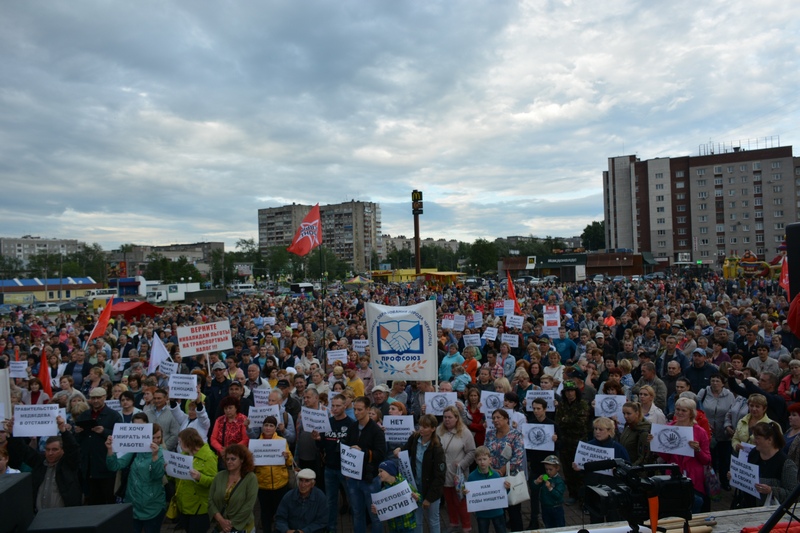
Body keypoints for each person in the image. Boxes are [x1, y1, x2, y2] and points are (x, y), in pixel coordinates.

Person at [5, 415, 81, 509]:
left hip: (64, 516)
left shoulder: (68, 464)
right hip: (39, 516)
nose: (50, 453)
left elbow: (73, 449)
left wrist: (64, 432)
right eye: (47, 449)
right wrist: (13, 433)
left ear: (63, 450)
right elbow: (23, 450)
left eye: (54, 449)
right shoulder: (39, 462)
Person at [650, 398, 711, 513]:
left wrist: (697, 450)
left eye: (684, 410)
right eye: (677, 409)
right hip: (673, 476)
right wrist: (655, 443)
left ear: (691, 413)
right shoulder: (668, 428)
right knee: (673, 509)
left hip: (693, 479)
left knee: (693, 507)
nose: (679, 413)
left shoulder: (700, 432)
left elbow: (707, 460)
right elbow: (667, 457)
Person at [105, 417, 166, 533]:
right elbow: (115, 466)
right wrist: (110, 450)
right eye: (153, 437)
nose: (156, 441)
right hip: (133, 505)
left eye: (159, 437)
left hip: (153, 506)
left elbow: (157, 476)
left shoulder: (161, 452)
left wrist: (154, 457)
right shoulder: (135, 450)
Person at [394, 414, 446, 533]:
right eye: (420, 425)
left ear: (433, 428)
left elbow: (439, 477)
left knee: (433, 520)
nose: (421, 429)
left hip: (431, 489)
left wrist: (429, 498)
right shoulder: (414, 438)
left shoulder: (437, 448)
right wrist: (399, 450)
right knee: (416, 520)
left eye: (425, 426)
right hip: (415, 487)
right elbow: (405, 449)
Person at [574, 417, 630, 523]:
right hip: (594, 489)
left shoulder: (618, 448)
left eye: (601, 429)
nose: (597, 432)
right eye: (595, 429)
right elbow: (583, 468)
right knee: (595, 519)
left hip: (612, 491)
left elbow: (627, 468)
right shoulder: (588, 446)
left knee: (613, 519)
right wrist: (578, 468)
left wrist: (617, 470)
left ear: (610, 431)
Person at [344, 396, 386, 533]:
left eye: (360, 410)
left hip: (370, 478)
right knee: (357, 513)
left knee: (375, 515)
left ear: (368, 410)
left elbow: (380, 454)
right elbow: (346, 444)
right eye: (355, 409)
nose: (356, 412)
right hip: (353, 477)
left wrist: (363, 452)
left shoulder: (376, 430)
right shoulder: (353, 426)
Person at [75, 386, 123, 504]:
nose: (95, 401)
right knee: (91, 500)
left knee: (107, 499)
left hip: (105, 465)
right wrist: (77, 432)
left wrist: (104, 432)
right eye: (93, 398)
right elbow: (77, 440)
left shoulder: (114, 416)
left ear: (104, 397)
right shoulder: (84, 415)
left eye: (98, 398)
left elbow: (121, 438)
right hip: (88, 466)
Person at [736, 422, 798, 508]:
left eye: (757, 438)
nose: (754, 441)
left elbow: (794, 494)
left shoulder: (786, 464)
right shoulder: (754, 453)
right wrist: (736, 476)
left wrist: (771, 490)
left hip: (770, 513)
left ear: (769, 440)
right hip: (748, 507)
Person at [484, 408, 525, 532]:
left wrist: (501, 471)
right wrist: (490, 469)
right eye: (494, 418)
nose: (495, 420)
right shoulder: (490, 434)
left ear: (506, 419)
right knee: (499, 512)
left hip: (510, 477)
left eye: (498, 418)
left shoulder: (515, 435)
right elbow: (485, 452)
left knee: (514, 511)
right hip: (493, 476)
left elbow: (518, 456)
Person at [437, 405, 476, 533]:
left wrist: (462, 464)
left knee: (461, 501)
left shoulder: (465, 432)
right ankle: (453, 523)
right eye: (444, 417)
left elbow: (471, 452)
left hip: (458, 473)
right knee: (449, 500)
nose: (446, 420)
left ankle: (467, 526)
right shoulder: (439, 430)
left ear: (456, 418)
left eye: (449, 417)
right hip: (443, 472)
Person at [174, 428, 218, 533]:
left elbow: (214, 481)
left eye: (180, 442)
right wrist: (169, 469)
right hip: (184, 506)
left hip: (199, 508)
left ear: (188, 441)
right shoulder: (184, 455)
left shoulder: (208, 456)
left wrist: (200, 477)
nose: (179, 445)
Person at [255, 415, 294, 533]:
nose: (268, 428)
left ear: (275, 428)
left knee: (280, 513)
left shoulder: (281, 442)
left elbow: (290, 462)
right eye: (266, 425)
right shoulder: (256, 443)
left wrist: (287, 457)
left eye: (271, 426)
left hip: (280, 483)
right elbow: (251, 466)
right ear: (262, 427)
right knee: (265, 513)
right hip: (263, 484)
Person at [208, 443, 259, 533]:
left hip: (243, 527)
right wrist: (221, 520)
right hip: (221, 526)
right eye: (227, 459)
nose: (229, 462)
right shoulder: (219, 476)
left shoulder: (251, 478)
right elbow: (210, 500)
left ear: (242, 460)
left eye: (233, 459)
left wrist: (229, 525)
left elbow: (248, 506)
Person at [698, 373, 735, 488]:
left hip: (723, 432)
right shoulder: (703, 392)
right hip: (707, 433)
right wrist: (704, 422)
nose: (714, 383)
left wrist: (728, 426)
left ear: (723, 383)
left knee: (725, 459)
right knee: (711, 458)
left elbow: (731, 412)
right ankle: (711, 483)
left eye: (717, 381)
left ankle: (724, 482)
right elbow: (697, 409)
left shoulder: (729, 395)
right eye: (712, 380)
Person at [555, 380, 589, 505]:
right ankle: (573, 494)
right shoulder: (562, 405)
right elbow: (558, 421)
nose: (569, 393)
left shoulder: (583, 404)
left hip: (579, 442)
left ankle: (582, 498)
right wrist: (568, 421)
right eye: (567, 391)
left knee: (579, 472)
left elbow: (581, 422)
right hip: (565, 442)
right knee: (568, 471)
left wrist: (566, 420)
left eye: (572, 391)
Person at [465, 446, 510, 533]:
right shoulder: (472, 477)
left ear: (490, 460)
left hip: (497, 511)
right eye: (479, 459)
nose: (482, 462)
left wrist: (507, 488)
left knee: (501, 530)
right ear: (476, 460)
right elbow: (469, 495)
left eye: (484, 459)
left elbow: (503, 493)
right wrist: (465, 493)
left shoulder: (496, 475)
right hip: (482, 513)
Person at [369, 461, 420, 533]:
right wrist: (377, 510)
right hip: (393, 526)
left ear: (390, 471)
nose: (379, 474)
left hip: (408, 524)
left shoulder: (404, 484)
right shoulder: (383, 490)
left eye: (381, 471)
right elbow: (384, 508)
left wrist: (416, 498)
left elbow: (418, 496)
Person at [275, 468, 329, 533]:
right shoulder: (289, 496)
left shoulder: (320, 497)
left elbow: (322, 521)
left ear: (313, 484)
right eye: (301, 480)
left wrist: (304, 531)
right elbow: (280, 518)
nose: (303, 485)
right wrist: (286, 530)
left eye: (307, 481)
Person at [210, 396, 250, 464]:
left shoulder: (243, 419)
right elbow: (213, 439)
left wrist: (231, 450)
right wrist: (221, 450)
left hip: (238, 455)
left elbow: (245, 440)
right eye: (225, 408)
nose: (228, 410)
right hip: (222, 456)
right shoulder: (219, 420)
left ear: (236, 408)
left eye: (230, 408)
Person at [533, 455, 566, 528]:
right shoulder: (545, 477)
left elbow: (558, 496)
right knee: (548, 526)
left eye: (550, 469)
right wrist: (537, 482)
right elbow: (533, 488)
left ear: (557, 468)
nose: (548, 472)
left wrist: (550, 488)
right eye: (546, 469)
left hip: (556, 508)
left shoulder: (559, 481)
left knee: (559, 527)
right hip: (545, 507)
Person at [619, 402, 652, 466]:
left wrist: (630, 469)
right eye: (624, 413)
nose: (625, 416)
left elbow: (643, 458)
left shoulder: (643, 432)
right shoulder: (628, 426)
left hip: (633, 470)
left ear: (637, 413)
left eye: (629, 414)